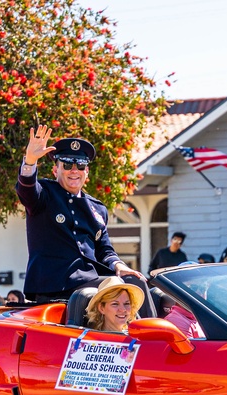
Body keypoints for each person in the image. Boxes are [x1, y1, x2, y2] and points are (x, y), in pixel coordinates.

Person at [16, 125, 154, 318]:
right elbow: (26, 189)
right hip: (54, 284)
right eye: (67, 164)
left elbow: (104, 250)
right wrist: (30, 160)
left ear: (86, 171)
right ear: (56, 169)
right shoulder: (45, 194)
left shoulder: (97, 208)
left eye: (80, 165)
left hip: (89, 279)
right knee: (130, 287)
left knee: (146, 286)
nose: (74, 170)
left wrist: (119, 266)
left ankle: (150, 338)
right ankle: (150, 340)